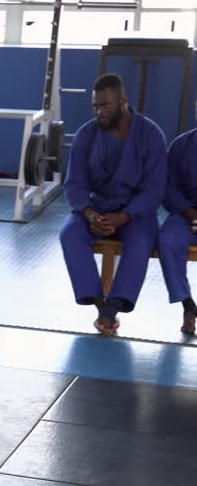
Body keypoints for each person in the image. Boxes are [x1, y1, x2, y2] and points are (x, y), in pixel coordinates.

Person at [59, 73, 167, 337]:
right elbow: (74, 183)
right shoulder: (86, 134)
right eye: (95, 106)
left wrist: (124, 216)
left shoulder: (150, 134)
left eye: (105, 105)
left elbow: (154, 188)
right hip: (95, 209)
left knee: (142, 241)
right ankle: (100, 306)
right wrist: (89, 213)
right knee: (69, 234)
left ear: (123, 102)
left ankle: (114, 306)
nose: (100, 112)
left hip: (135, 213)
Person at [159, 107, 197, 335]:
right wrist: (191, 214)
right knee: (167, 239)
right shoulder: (181, 145)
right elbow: (167, 186)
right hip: (187, 214)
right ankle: (188, 305)